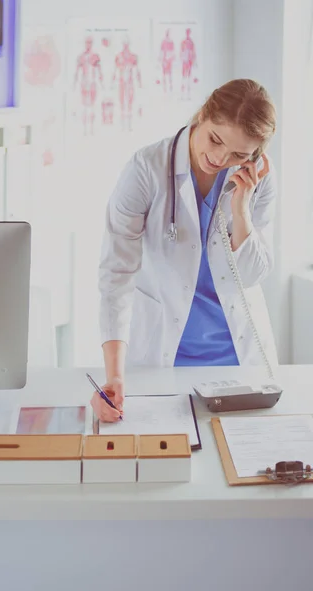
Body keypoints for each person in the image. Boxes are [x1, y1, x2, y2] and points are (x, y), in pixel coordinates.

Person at [91, 79, 278, 422]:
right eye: (215, 139)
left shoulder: (258, 181)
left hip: (238, 362)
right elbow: (115, 276)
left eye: (238, 155)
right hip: (164, 357)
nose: (220, 159)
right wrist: (115, 375)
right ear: (203, 115)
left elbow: (249, 276)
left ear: (255, 158)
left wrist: (241, 209)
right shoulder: (146, 169)